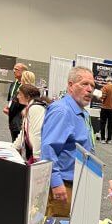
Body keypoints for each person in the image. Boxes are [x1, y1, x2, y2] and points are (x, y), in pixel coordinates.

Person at [40, 66, 96, 216]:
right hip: (63, 187)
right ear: (70, 85)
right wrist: (56, 182)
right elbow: (48, 149)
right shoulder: (62, 111)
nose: (90, 89)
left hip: (78, 183)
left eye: (92, 86)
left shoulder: (82, 113)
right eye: (84, 84)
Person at [14, 84, 48, 162]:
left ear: (28, 97)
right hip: (32, 153)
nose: (18, 96)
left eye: (20, 94)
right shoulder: (31, 107)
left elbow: (37, 133)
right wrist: (15, 147)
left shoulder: (35, 108)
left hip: (38, 155)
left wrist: (36, 157)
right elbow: (24, 131)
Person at [4, 62, 26, 141]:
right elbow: (10, 99)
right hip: (12, 118)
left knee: (19, 142)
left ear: (23, 72)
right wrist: (9, 109)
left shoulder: (25, 87)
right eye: (14, 69)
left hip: (20, 118)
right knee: (14, 140)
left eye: (16, 69)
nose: (14, 71)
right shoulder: (13, 84)